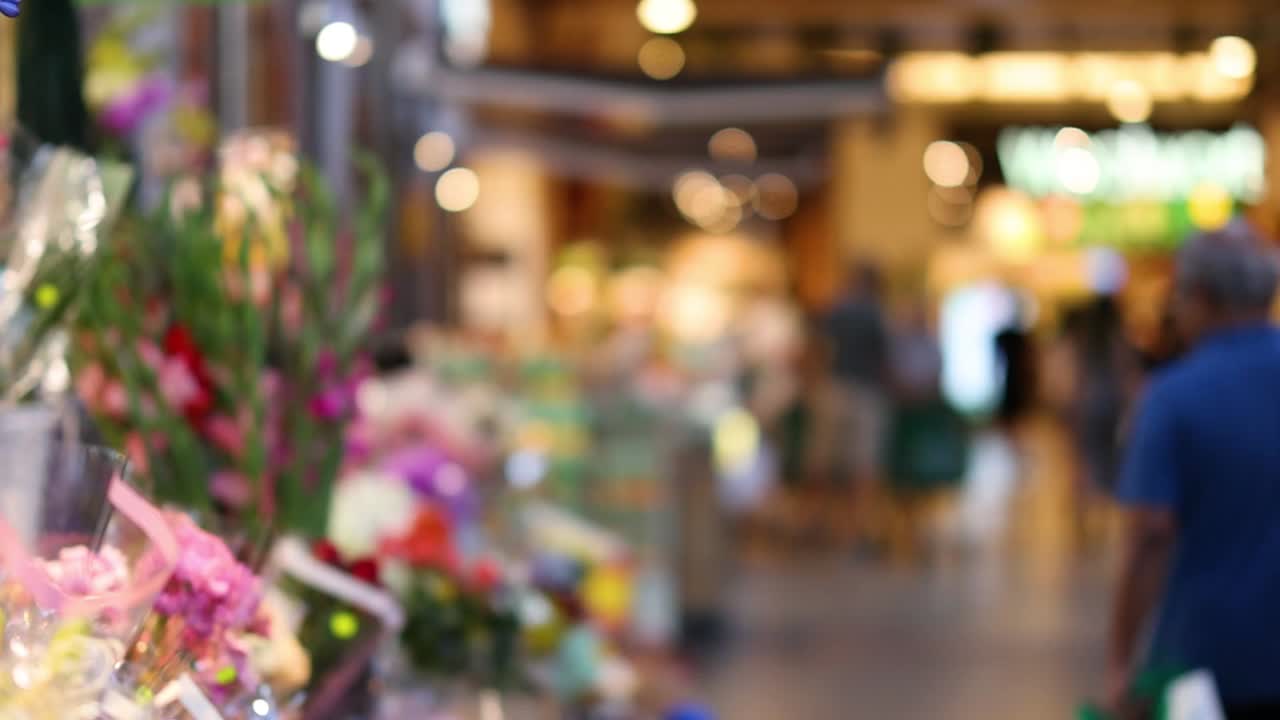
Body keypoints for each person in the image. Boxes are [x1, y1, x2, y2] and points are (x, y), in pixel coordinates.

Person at [1108, 221, 1280, 718]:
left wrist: (1122, 661)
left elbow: (1150, 535)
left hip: (1209, 656)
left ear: (1200, 296)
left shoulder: (1174, 396)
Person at [816, 264, 890, 541]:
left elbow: (819, 345)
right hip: (864, 392)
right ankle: (856, 527)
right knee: (860, 465)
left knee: (830, 462)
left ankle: (828, 524)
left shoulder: (840, 310)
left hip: (839, 389)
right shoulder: (875, 314)